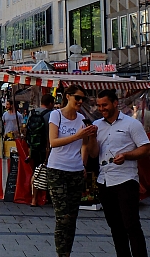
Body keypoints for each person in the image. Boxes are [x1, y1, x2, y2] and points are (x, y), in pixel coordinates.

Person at [89, 89, 150, 257]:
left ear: (115, 103)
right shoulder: (98, 126)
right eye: (99, 105)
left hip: (126, 180)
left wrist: (127, 155)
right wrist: (92, 138)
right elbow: (94, 154)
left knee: (131, 225)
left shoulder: (131, 124)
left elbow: (146, 149)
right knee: (115, 227)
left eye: (105, 105)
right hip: (105, 181)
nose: (102, 108)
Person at [47, 85, 97, 257]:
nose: (80, 101)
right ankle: (62, 254)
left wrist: (83, 163)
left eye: (83, 99)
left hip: (75, 171)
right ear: (68, 97)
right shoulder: (56, 115)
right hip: (57, 170)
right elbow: (53, 142)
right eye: (77, 97)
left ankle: (67, 251)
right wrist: (77, 136)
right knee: (63, 218)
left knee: (73, 218)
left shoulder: (82, 119)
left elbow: (85, 146)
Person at [27, 93, 54, 207]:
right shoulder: (51, 114)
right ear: (51, 103)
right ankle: (47, 198)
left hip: (33, 148)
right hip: (45, 148)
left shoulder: (32, 113)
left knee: (36, 172)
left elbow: (27, 129)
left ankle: (34, 199)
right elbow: (51, 134)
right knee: (48, 173)